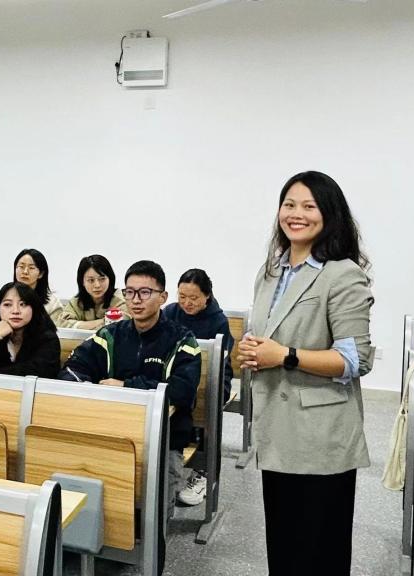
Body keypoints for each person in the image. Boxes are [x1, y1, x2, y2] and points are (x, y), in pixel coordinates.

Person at [235, 170, 373, 576]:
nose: (296, 214)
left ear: (329, 214)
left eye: (309, 206)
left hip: (319, 437)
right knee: (284, 548)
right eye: (289, 205)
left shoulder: (342, 273)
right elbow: (269, 335)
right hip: (276, 429)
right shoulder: (270, 272)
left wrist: (286, 355)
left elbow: (354, 360)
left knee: (318, 552)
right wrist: (250, 350)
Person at [59, 260, 201, 514]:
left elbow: (183, 390)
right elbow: (73, 368)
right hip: (111, 431)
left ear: (163, 297)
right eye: (130, 292)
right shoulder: (110, 335)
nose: (136, 300)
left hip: (163, 439)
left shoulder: (182, 339)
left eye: (145, 292)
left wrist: (126, 386)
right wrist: (90, 389)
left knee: (154, 516)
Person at [162, 268, 235, 506]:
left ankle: (204, 471)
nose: (187, 303)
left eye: (193, 298)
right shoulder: (170, 312)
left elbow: (219, 362)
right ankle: (168, 459)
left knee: (209, 401)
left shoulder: (218, 321)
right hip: (179, 373)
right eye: (182, 296)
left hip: (214, 376)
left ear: (207, 296)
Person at [0, 282, 61, 378]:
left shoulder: (48, 338)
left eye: (23, 304)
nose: (15, 311)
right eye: (7, 304)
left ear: (34, 308)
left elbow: (38, 370)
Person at [0, 249, 63, 326]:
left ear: (41, 274)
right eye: (21, 266)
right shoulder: (6, 294)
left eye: (31, 268)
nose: (25, 272)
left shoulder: (53, 303)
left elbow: (55, 331)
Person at [59, 255, 130, 330]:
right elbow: (62, 324)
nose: (97, 285)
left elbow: (119, 326)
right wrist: (103, 321)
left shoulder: (121, 301)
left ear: (110, 279)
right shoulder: (76, 302)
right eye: (91, 280)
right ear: (82, 282)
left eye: (102, 279)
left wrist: (80, 325)